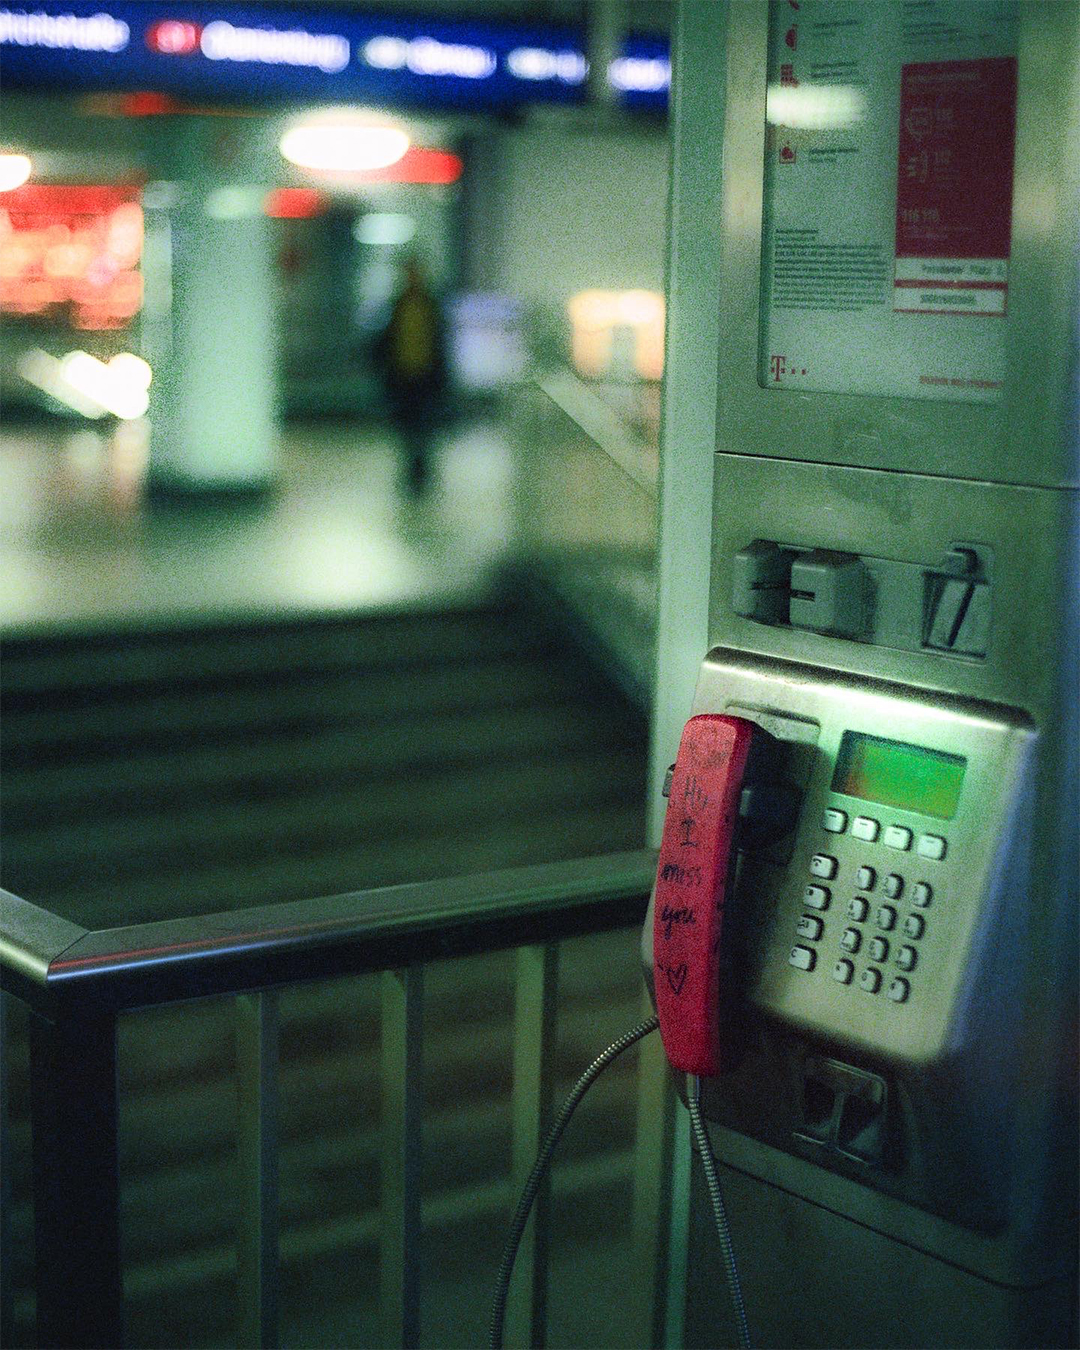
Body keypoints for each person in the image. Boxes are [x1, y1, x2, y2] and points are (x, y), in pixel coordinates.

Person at [374, 254, 448, 495]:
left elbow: (441, 343)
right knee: (407, 428)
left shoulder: (431, 305)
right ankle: (411, 472)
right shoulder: (397, 304)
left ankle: (421, 473)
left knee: (424, 428)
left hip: (426, 376)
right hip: (402, 376)